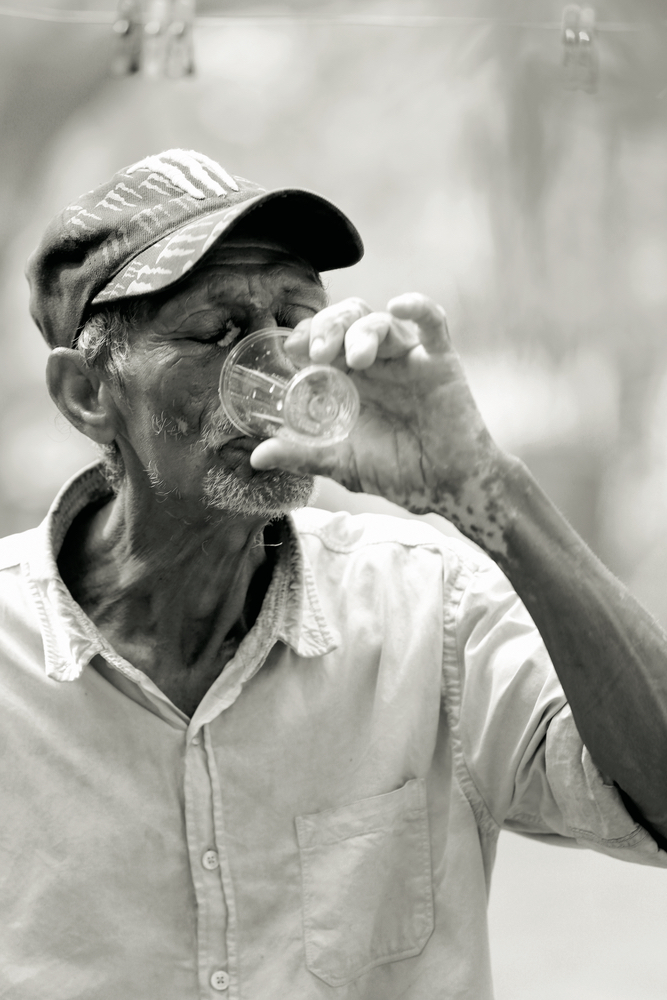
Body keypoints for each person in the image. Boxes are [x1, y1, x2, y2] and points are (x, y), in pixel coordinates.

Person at [2, 147, 666, 999]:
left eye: (295, 319)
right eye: (218, 333)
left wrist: (484, 488)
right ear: (89, 396)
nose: (277, 364)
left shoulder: (427, 609)